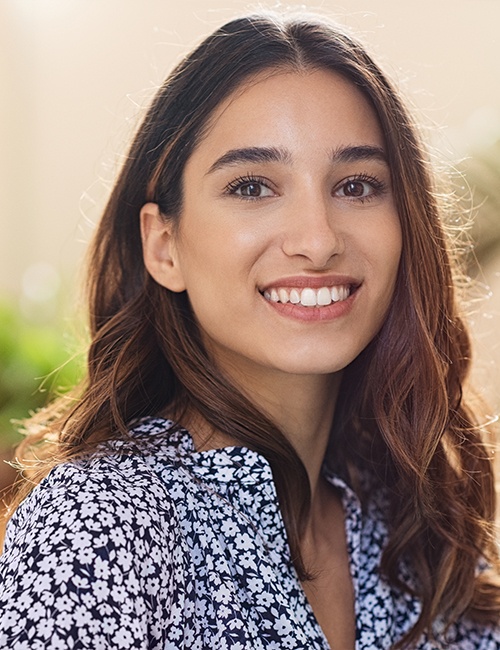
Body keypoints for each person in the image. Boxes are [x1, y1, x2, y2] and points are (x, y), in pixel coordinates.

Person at [1, 11, 499, 650]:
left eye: (356, 185)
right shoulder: (99, 525)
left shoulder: (415, 520)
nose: (318, 241)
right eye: (252, 186)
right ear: (164, 245)